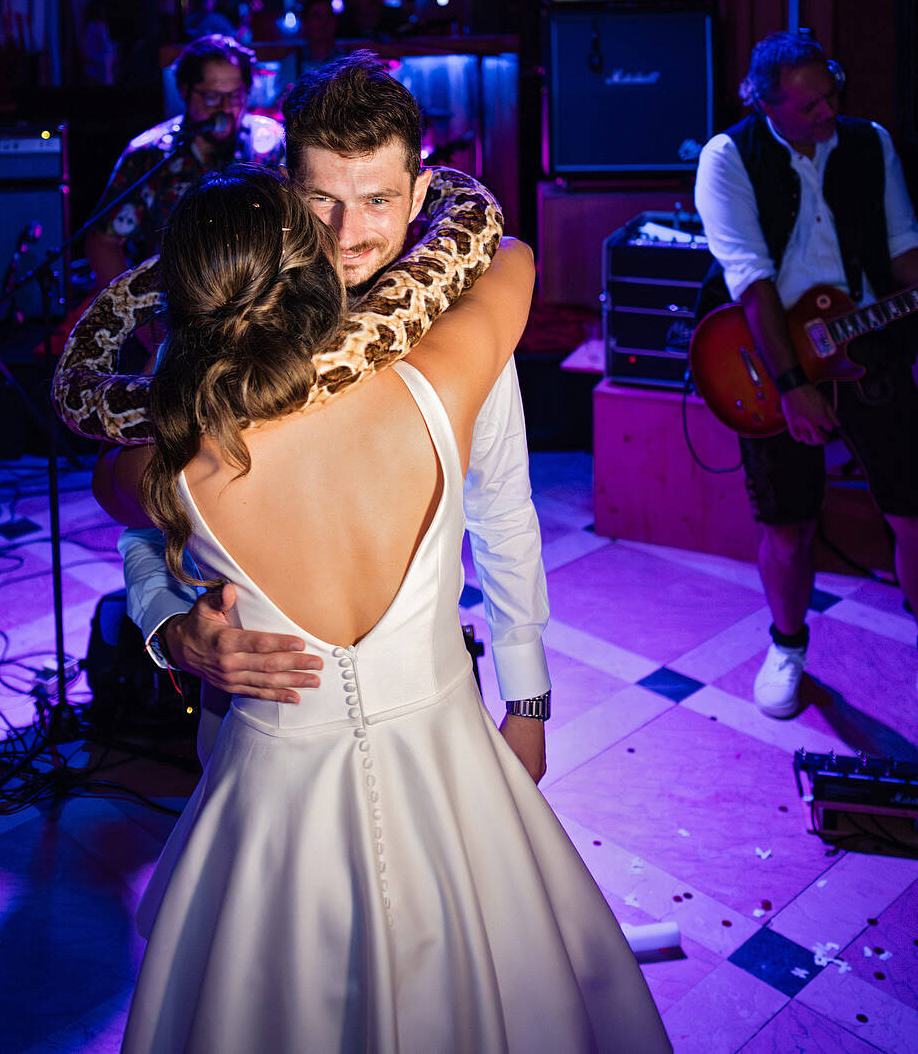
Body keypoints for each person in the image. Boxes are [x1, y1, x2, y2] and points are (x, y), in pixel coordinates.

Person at [95, 167, 668, 1052]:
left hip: (274, 809)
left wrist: (164, 611)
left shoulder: (170, 471)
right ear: (313, 269)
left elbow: (123, 502)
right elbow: (510, 255)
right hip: (447, 774)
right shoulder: (438, 382)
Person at [122, 52, 554, 781]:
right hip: (258, 735)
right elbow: (152, 515)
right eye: (323, 199)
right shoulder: (221, 322)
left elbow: (502, 508)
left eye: (379, 201)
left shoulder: (458, 324)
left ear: (421, 193)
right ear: (286, 187)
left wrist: (528, 698)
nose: (348, 233)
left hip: (423, 713)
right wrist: (169, 628)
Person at [693, 30, 918, 740]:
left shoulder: (869, 144)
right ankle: (786, 648)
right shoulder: (728, 159)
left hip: (867, 344)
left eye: (832, 93)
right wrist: (789, 386)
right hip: (769, 352)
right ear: (764, 103)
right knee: (787, 526)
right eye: (809, 105)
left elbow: (904, 247)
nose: (828, 111)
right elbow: (749, 282)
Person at [82, 34, 284, 288]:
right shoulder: (150, 154)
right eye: (211, 97)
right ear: (185, 92)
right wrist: (134, 315)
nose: (225, 108)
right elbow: (102, 243)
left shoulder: (272, 145)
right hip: (176, 312)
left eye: (235, 96)